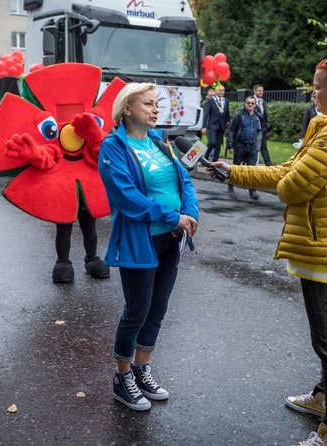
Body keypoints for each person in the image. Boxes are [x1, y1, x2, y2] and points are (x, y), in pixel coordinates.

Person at [210, 53, 327, 445]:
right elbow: (287, 170)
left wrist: (286, 180)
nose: (314, 93)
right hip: (321, 243)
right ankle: (322, 400)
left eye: (319, 87)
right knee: (326, 337)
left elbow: (291, 186)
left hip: (325, 248)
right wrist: (233, 170)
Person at [98, 83, 199, 412]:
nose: (157, 110)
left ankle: (142, 369)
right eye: (148, 104)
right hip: (140, 240)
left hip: (172, 238)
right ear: (127, 109)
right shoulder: (114, 148)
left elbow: (185, 180)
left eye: (158, 104)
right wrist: (174, 215)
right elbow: (128, 198)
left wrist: (190, 214)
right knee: (137, 310)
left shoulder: (161, 144)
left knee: (157, 309)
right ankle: (122, 376)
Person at [225, 95, 262, 199]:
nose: (250, 105)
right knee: (236, 167)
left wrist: (258, 145)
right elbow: (231, 131)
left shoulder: (257, 117)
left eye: (252, 103)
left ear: (255, 105)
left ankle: (252, 191)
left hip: (252, 147)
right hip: (240, 145)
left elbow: (260, 131)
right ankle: (231, 184)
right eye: (248, 103)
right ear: (245, 104)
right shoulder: (240, 116)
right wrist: (230, 145)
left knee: (252, 170)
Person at [201, 85, 230, 161]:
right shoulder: (211, 101)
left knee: (218, 145)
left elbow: (227, 113)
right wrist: (204, 126)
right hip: (212, 125)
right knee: (212, 142)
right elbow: (206, 114)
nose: (221, 92)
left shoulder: (226, 101)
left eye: (223, 90)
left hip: (221, 126)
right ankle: (206, 156)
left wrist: (228, 121)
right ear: (216, 91)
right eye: (219, 90)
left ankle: (215, 161)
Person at [253, 84, 273, 165]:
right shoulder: (250, 101)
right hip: (254, 128)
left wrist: (266, 128)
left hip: (262, 129)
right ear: (255, 91)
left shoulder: (263, 102)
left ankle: (269, 165)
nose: (261, 92)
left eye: (262, 91)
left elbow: (264, 116)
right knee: (254, 147)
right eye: (259, 90)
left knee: (264, 146)